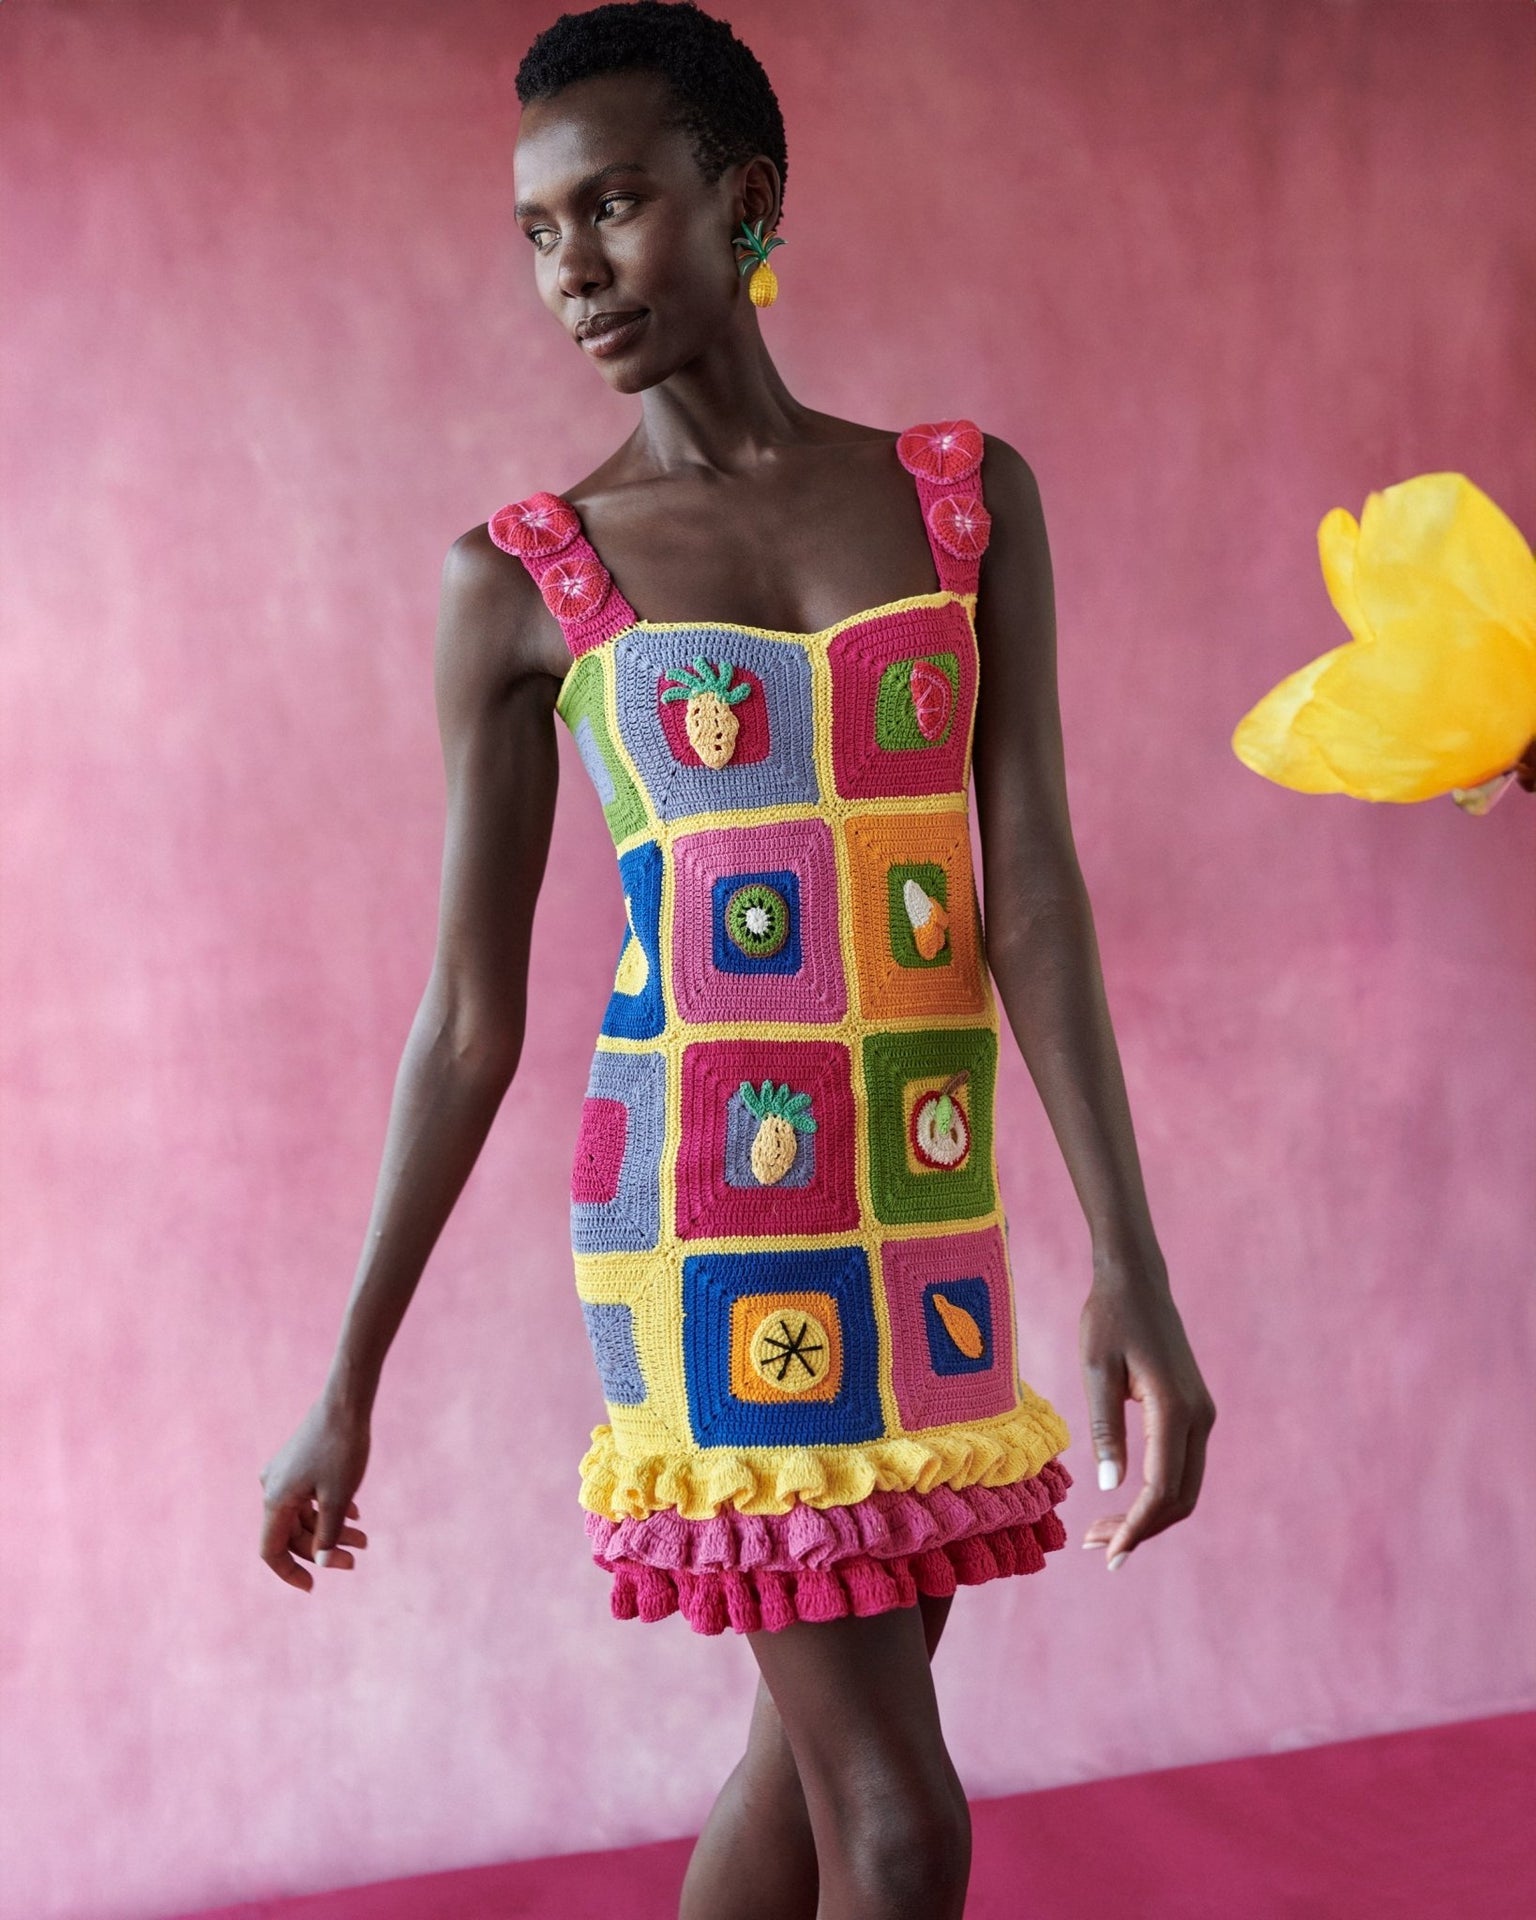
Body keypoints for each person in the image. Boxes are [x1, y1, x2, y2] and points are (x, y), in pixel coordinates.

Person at [258, 5, 1215, 1915]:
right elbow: (468, 1017)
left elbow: (1028, 888)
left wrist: (1130, 1256)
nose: (573, 267)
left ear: (745, 197)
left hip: (921, 1197)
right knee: (900, 1825)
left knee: (802, 1780)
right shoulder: (519, 578)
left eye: (614, 204)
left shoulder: (961, 497)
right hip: (708, 1220)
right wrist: (349, 1369)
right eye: (538, 230)